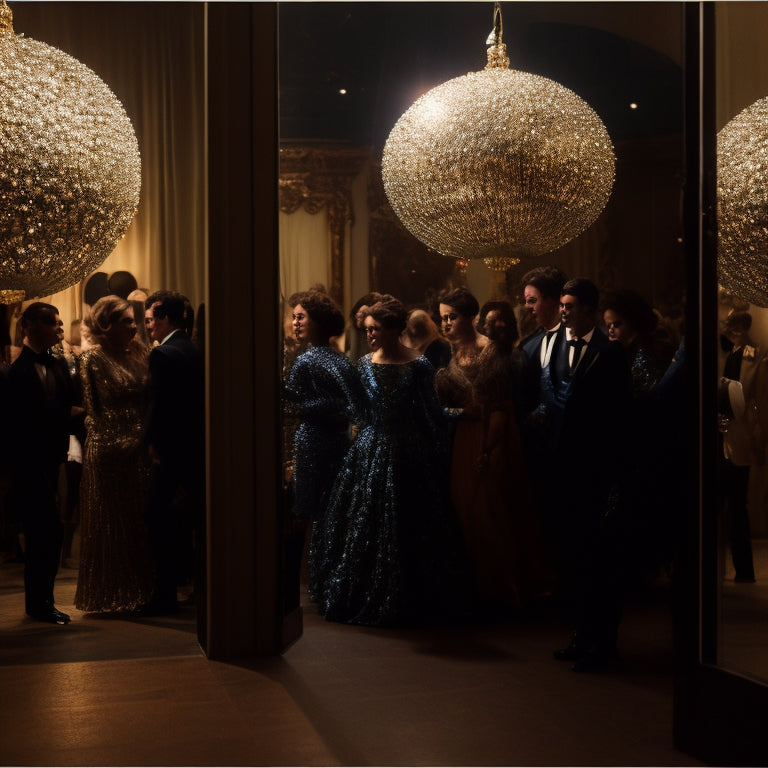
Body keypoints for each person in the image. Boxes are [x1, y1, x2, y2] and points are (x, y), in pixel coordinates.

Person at [319, 295, 468, 626]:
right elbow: (359, 409)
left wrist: (457, 420)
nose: (369, 335)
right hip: (371, 447)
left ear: (393, 330)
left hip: (409, 451)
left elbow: (431, 412)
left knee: (410, 522)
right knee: (365, 520)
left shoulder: (419, 366)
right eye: (367, 329)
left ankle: (413, 596)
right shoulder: (364, 363)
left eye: (375, 329)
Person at [534, 278, 632, 671]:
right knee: (572, 559)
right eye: (561, 305)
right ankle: (581, 634)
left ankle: (604, 644)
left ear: (590, 310)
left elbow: (620, 415)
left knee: (600, 562)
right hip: (562, 471)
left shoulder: (611, 353)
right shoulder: (554, 345)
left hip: (595, 472)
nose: (563, 312)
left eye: (570, 306)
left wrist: (612, 471)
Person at [442, 300, 549, 613]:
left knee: (490, 509)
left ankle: (504, 590)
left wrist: (488, 448)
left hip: (488, 433)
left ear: (471, 318)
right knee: (465, 509)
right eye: (443, 318)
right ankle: (478, 588)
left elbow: (500, 406)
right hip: (463, 435)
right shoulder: (454, 351)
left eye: (453, 316)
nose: (447, 323)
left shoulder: (491, 352)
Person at [284, 289, 364, 601]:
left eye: (301, 316)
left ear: (317, 321)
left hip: (314, 440)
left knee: (305, 512)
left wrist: (284, 399)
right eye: (294, 317)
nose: (295, 322)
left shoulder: (307, 361)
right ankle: (325, 577)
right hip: (338, 440)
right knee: (330, 510)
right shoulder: (340, 359)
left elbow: (301, 406)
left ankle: (298, 584)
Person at [75, 296, 154, 612]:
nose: (134, 327)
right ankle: (110, 593)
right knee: (112, 523)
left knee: (139, 521)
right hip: (108, 449)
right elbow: (93, 412)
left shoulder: (143, 354)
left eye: (134, 320)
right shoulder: (92, 360)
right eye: (126, 321)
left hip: (142, 449)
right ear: (105, 324)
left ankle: (143, 590)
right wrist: (119, 441)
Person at [6, 302, 80, 623]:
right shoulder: (16, 373)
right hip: (28, 464)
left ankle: (42, 600)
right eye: (52, 323)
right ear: (30, 327)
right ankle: (39, 603)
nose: (58, 328)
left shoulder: (59, 365)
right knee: (42, 531)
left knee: (50, 531)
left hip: (55, 459)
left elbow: (66, 409)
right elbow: (11, 426)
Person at [141, 290, 204, 615]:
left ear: (165, 318)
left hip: (169, 450)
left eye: (152, 318)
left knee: (157, 516)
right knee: (190, 520)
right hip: (194, 447)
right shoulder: (194, 350)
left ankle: (164, 593)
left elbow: (158, 404)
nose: (148, 325)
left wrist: (148, 443)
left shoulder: (163, 354)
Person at [717, 311, 768, 583]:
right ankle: (711, 571)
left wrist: (759, 438)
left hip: (738, 439)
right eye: (730, 322)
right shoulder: (713, 349)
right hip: (710, 438)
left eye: (739, 322)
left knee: (737, 506)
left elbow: (758, 400)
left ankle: (744, 572)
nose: (733, 327)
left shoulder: (755, 356)